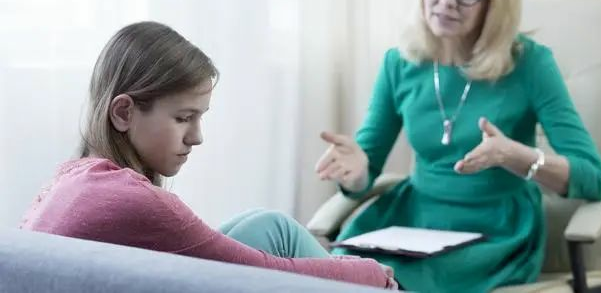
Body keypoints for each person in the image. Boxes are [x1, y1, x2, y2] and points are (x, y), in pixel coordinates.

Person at [315, 0, 601, 292]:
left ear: (495, 3)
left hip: (494, 231)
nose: (447, 0)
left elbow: (593, 179)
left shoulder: (531, 64)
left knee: (395, 283)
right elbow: (365, 168)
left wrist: (515, 156)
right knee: (342, 275)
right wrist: (356, 174)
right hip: (411, 221)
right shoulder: (399, 62)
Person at [20, 21, 397, 290]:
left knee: (268, 226)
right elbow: (264, 269)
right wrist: (372, 275)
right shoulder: (129, 200)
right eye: (183, 118)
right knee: (291, 249)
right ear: (123, 112)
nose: (197, 137)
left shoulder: (72, 180)